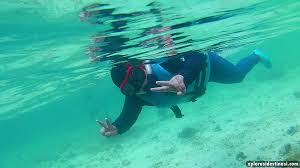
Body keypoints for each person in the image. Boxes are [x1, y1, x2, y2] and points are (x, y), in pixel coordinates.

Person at [96, 49, 272, 137]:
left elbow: (198, 56)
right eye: (130, 87)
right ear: (127, 91)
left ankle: (255, 55)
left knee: (238, 76)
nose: (139, 83)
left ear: (141, 66)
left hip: (207, 67)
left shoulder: (164, 63)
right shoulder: (137, 96)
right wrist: (117, 128)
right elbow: (127, 117)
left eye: (136, 75)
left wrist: (182, 76)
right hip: (199, 84)